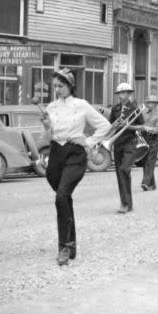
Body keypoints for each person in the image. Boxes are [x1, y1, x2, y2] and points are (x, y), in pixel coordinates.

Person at [41, 68, 111, 266]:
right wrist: (47, 126)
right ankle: (71, 244)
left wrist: (88, 141)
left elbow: (105, 126)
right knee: (64, 199)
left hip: (75, 154)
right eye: (55, 86)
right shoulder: (51, 106)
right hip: (56, 154)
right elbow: (46, 137)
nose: (57, 90)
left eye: (61, 86)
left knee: (61, 196)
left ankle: (63, 246)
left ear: (71, 86)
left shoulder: (82, 105)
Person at [108, 83, 146, 214]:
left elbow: (142, 126)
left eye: (124, 93)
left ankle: (127, 203)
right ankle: (125, 203)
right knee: (119, 173)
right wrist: (116, 124)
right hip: (117, 142)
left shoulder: (135, 108)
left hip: (130, 142)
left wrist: (128, 126)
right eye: (119, 93)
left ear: (129, 94)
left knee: (124, 169)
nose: (121, 95)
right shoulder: (115, 109)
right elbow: (110, 125)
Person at [140, 94, 158, 191]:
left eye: (152, 103)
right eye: (149, 102)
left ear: (156, 104)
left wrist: (147, 128)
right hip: (143, 138)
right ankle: (152, 184)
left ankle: (145, 182)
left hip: (153, 138)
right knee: (145, 161)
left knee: (150, 161)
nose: (150, 104)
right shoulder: (142, 112)